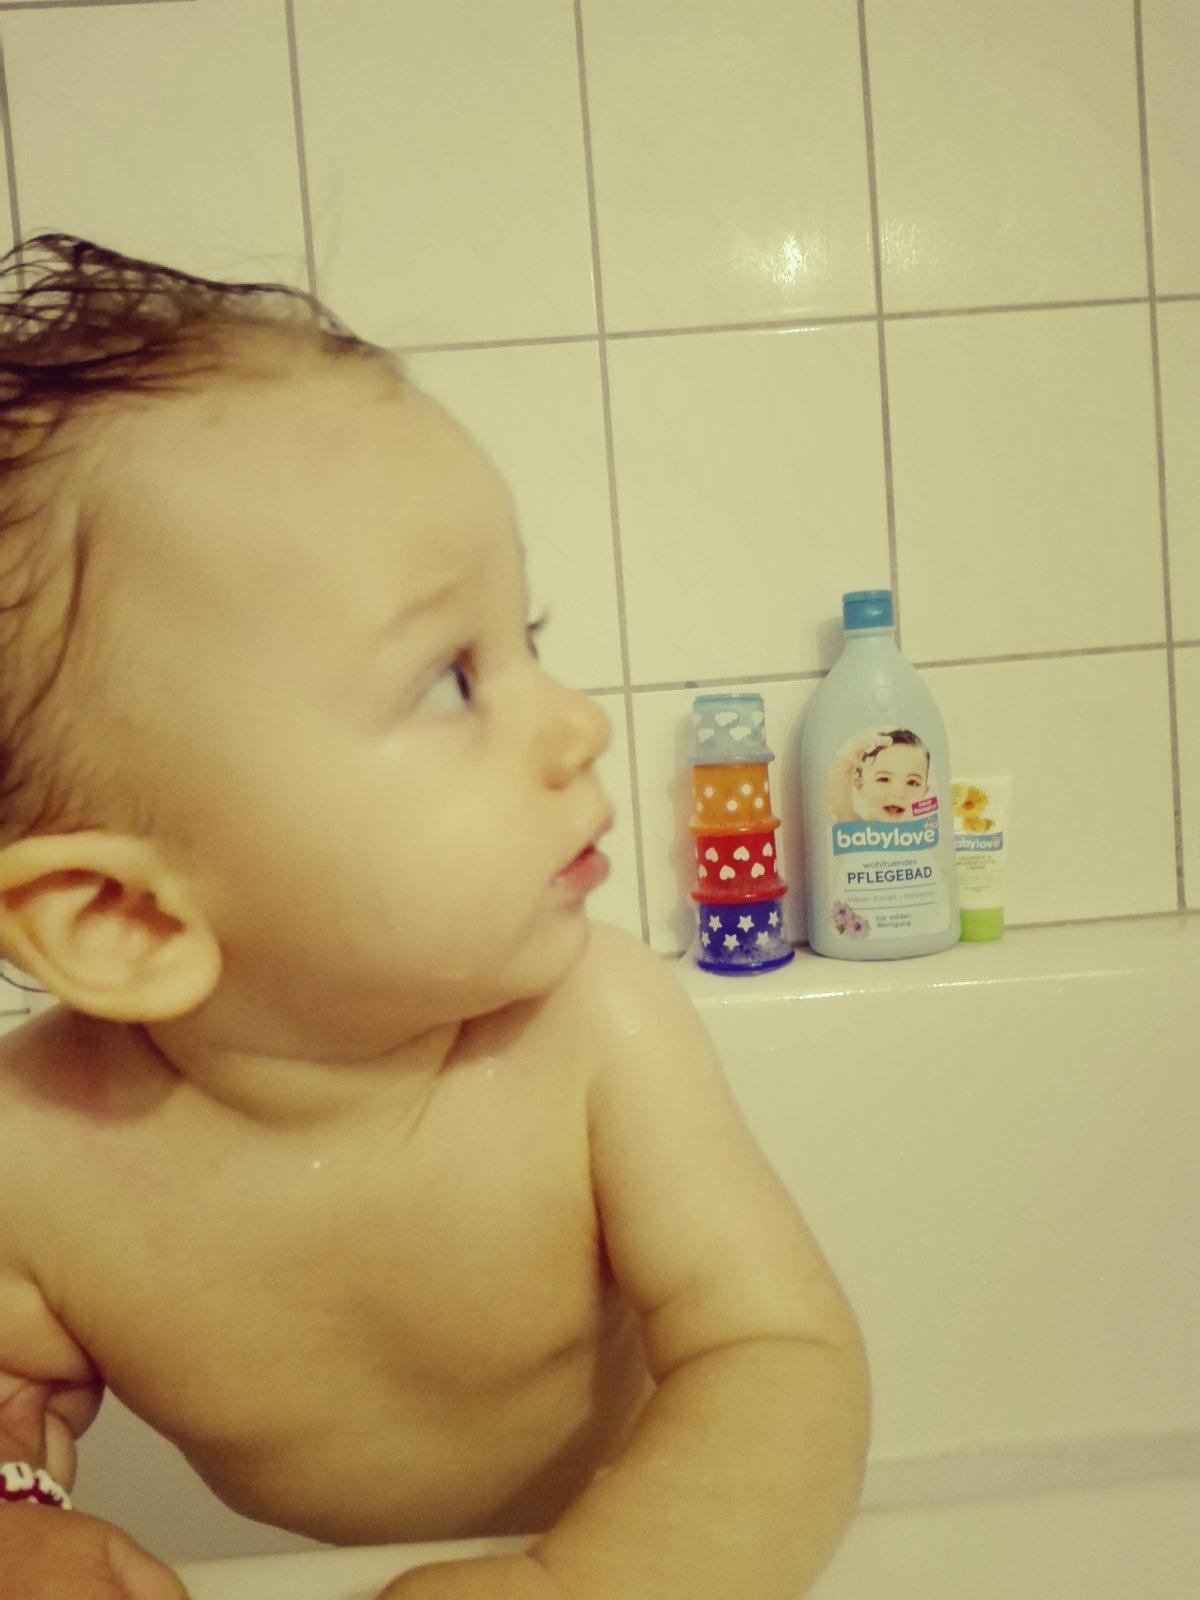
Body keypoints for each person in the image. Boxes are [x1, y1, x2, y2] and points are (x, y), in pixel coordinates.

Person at [0, 234, 870, 1600]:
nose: (579, 724)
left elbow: (778, 1356)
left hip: (634, 1516)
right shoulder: (37, 1155)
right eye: (451, 681)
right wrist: (17, 1512)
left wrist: (594, 1585)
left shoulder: (595, 1032)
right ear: (123, 916)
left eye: (531, 635)